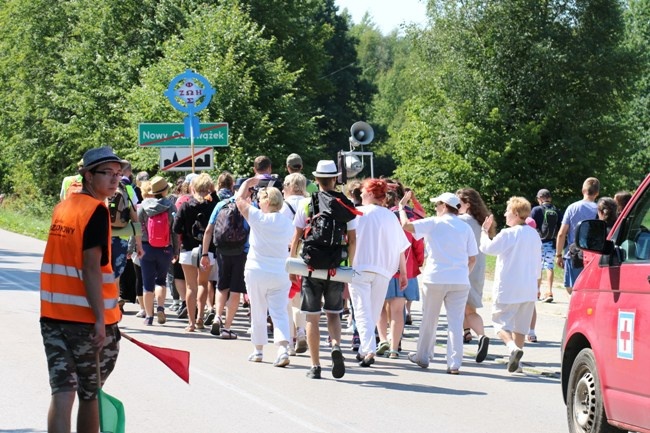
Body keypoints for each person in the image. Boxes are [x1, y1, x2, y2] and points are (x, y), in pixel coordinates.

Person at [40, 146, 124, 432]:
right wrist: (100, 320)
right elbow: (90, 267)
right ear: (88, 176)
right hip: (86, 322)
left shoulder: (63, 207)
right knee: (90, 394)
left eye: (118, 173)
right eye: (107, 173)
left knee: (62, 391)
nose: (115, 180)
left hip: (53, 316)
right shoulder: (96, 211)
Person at [289, 160, 358, 379]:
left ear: (316, 180)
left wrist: (292, 264)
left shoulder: (307, 204)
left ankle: (316, 366)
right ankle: (336, 345)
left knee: (311, 317)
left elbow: (297, 237)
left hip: (311, 266)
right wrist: (350, 267)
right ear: (335, 179)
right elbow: (352, 240)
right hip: (335, 267)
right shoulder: (345, 205)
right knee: (334, 314)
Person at [400, 191, 477, 374]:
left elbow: (406, 226)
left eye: (437, 205)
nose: (435, 208)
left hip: (435, 277)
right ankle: (454, 363)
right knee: (456, 322)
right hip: (459, 279)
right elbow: (472, 258)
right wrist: (464, 273)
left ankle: (423, 355)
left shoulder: (434, 222)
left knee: (429, 319)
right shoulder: (465, 227)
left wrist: (402, 208)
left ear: (443, 206)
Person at [348, 178, 409, 367]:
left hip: (360, 266)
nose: (361, 194)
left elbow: (349, 240)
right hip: (384, 269)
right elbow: (401, 247)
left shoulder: (358, 213)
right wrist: (404, 273)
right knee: (372, 311)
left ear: (372, 194)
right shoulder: (390, 216)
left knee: (362, 310)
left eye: (364, 191)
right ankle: (364, 349)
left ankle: (368, 349)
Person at [235, 178, 295, 366]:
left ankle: (258, 349)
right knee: (280, 312)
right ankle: (283, 348)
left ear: (267, 202)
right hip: (280, 271)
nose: (257, 202)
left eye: (260, 199)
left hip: (257, 270)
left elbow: (238, 200)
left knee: (258, 309)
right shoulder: (287, 223)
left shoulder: (258, 218)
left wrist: (248, 182)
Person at [480, 197, 542, 373]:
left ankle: (512, 348)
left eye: (507, 210)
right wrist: (537, 283)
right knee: (520, 326)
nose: (505, 214)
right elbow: (538, 263)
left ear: (515, 213)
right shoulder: (533, 235)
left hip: (509, 286)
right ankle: (517, 363)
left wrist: (484, 232)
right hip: (528, 286)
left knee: (499, 323)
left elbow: (488, 248)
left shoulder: (508, 233)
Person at [201, 178, 248, 340]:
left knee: (222, 286)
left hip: (222, 251)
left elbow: (208, 230)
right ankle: (227, 327)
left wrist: (205, 254)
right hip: (241, 252)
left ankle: (217, 317)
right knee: (235, 291)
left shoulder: (221, 205)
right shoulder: (250, 207)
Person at [173, 173, 218, 332]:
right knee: (203, 284)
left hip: (187, 249)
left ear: (192, 187)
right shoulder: (212, 205)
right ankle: (200, 319)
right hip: (207, 251)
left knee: (190, 286)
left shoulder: (185, 205)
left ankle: (191, 323)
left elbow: (176, 228)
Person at [456, 187, 495, 362]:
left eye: (459, 203)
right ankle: (477, 335)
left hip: (463, 267)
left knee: (460, 308)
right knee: (469, 308)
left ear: (467, 204)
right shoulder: (481, 222)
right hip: (478, 268)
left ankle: (474, 335)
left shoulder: (461, 221)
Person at [137, 175, 177, 325]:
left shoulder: (143, 207)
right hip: (165, 248)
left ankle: (149, 317)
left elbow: (138, 229)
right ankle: (160, 307)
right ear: (165, 191)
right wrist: (176, 249)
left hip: (147, 248)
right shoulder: (171, 206)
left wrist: (135, 247)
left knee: (147, 284)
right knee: (161, 280)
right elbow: (174, 230)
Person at [280, 173, 309, 355]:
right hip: (308, 255)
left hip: (288, 253)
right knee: (301, 297)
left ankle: (290, 341)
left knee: (287, 300)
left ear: (289, 186)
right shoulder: (309, 203)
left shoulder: (284, 206)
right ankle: (301, 331)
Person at [556, 177, 600, 294]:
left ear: (583, 190)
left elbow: (561, 233)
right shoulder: (599, 210)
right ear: (597, 193)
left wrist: (559, 254)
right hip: (593, 255)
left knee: (573, 290)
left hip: (574, 254)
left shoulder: (572, 208)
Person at [530, 189, 561, 303]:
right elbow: (560, 228)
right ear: (550, 198)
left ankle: (537, 292)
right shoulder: (556, 210)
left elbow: (530, 225)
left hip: (538, 242)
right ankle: (549, 291)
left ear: (540, 199)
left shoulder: (536, 210)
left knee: (537, 266)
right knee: (549, 265)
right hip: (551, 242)